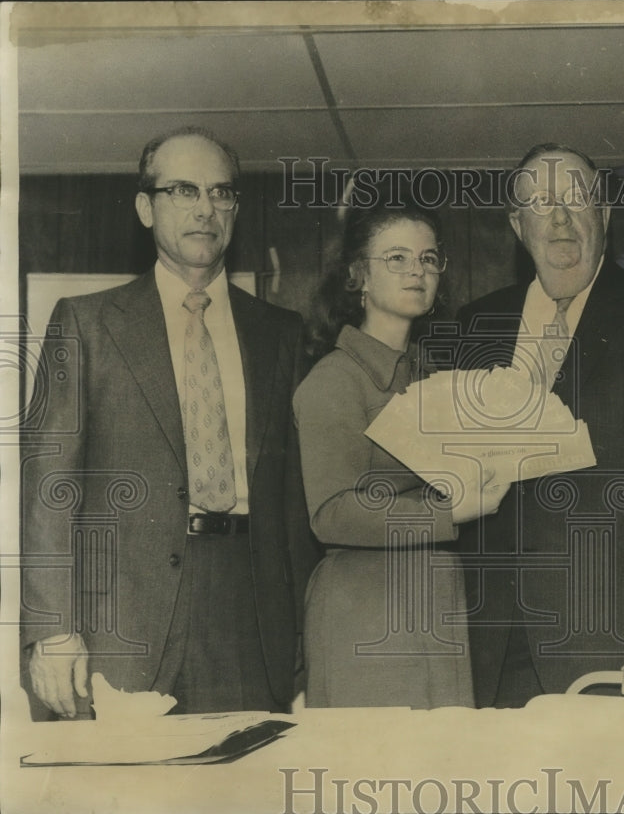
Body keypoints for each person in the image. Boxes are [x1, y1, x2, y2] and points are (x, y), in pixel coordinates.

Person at [20, 126, 318, 718]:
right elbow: (48, 487)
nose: (205, 208)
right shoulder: (86, 324)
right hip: (118, 620)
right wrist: (52, 627)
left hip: (249, 620)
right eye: (184, 190)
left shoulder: (279, 334)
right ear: (144, 207)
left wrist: (306, 649)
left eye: (221, 192)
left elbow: (293, 505)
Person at [455, 144, 624, 707]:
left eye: (576, 200)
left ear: (603, 215)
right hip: (495, 643)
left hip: (621, 640)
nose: (559, 218)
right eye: (540, 203)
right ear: (517, 226)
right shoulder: (475, 324)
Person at [293, 199, 510, 708]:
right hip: (367, 610)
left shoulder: (431, 376)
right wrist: (449, 511)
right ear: (358, 277)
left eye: (428, 259)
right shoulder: (336, 379)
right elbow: (331, 514)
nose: (417, 271)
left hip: (435, 604)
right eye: (397, 258)